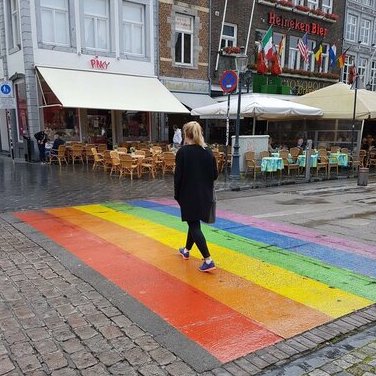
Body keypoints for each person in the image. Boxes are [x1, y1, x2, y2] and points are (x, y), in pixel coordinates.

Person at [174, 121, 218, 272]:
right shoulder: (208, 151)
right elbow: (214, 175)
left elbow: (178, 177)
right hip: (205, 194)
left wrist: (177, 195)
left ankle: (208, 259)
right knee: (194, 223)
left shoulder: (183, 152)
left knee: (193, 225)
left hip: (188, 195)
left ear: (186, 134)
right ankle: (186, 250)